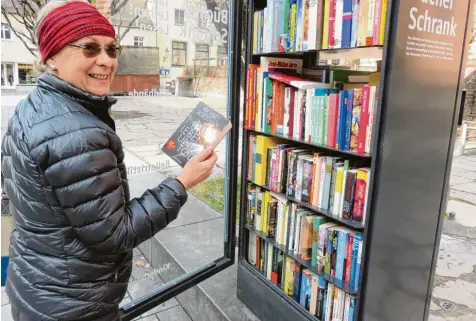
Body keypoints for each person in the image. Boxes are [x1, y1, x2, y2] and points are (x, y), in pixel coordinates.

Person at [0, 1, 218, 320]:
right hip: (76, 303)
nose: (106, 60)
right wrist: (183, 182)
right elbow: (116, 236)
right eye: (89, 48)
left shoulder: (30, 108)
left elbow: (12, 199)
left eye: (111, 49)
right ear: (51, 57)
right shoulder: (79, 133)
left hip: (36, 285)